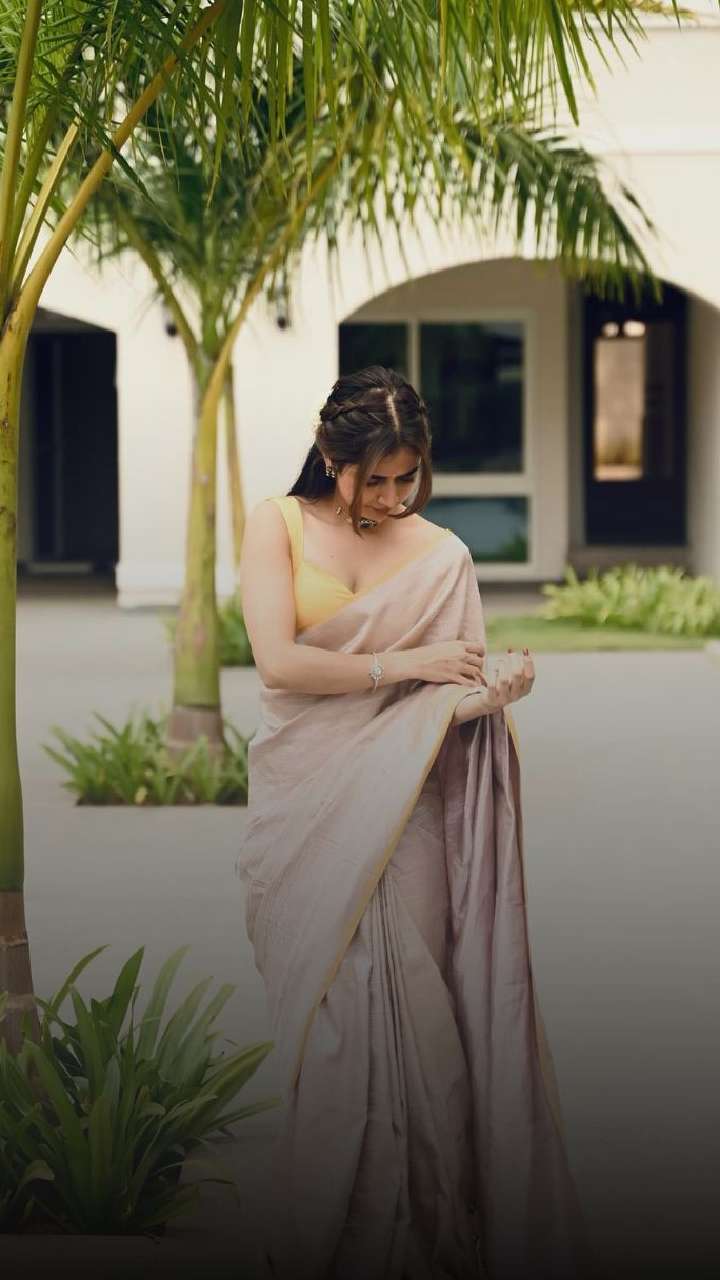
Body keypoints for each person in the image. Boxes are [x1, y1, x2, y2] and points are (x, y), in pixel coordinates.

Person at [237, 366, 594, 1280]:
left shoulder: (442, 557)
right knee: (334, 1038)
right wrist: (407, 662)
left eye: (408, 478)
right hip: (309, 812)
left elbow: (443, 707)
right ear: (331, 456)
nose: (393, 499)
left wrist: (491, 695)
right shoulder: (277, 525)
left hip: (410, 818)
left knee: (425, 1028)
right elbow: (278, 664)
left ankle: (428, 1243)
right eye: (376, 480)